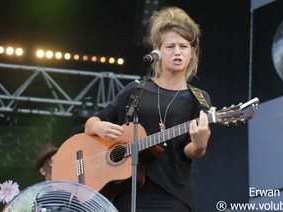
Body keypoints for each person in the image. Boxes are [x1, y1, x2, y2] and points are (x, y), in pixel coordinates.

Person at [84, 6, 211, 212]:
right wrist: (98, 127)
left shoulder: (198, 97)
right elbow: (91, 122)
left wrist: (200, 145)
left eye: (184, 46)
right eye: (170, 46)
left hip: (172, 193)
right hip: (124, 191)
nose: (177, 52)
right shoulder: (136, 89)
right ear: (157, 52)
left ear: (192, 52)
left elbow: (191, 151)